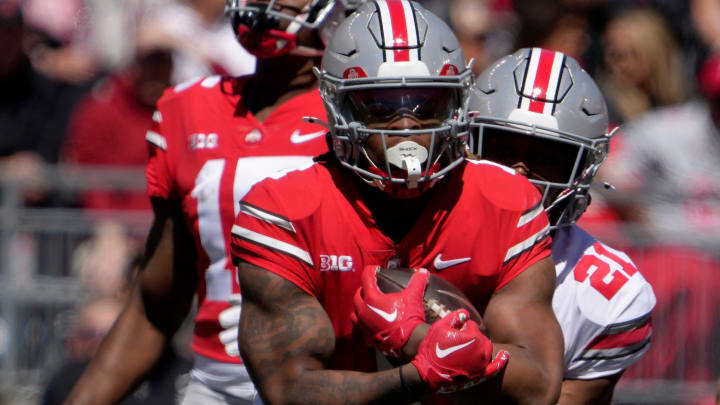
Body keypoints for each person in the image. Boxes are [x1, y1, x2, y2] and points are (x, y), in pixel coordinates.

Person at [230, 1, 564, 404]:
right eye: (380, 106)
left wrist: (441, 345)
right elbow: (289, 389)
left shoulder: (506, 201)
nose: (406, 127)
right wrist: (419, 372)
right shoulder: (285, 210)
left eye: (426, 105)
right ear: (338, 109)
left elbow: (539, 387)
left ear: (458, 106)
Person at [62, 0, 356, 404]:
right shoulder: (189, 110)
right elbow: (157, 302)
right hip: (217, 385)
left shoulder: (360, 113)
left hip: (331, 384)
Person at [469, 47, 657, 405]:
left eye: (545, 157)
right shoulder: (412, 228)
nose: (518, 172)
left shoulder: (607, 295)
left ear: (582, 170)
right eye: (503, 149)